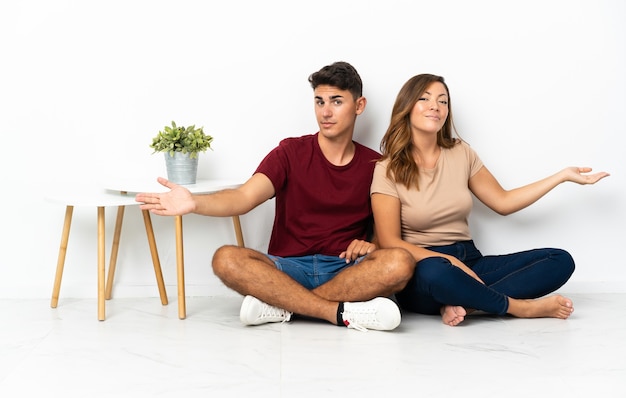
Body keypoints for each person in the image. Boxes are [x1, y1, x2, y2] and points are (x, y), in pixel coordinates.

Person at [136, 61, 415, 331]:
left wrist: (371, 246)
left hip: (345, 268)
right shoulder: (289, 153)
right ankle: (337, 312)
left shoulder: (376, 165)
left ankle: (284, 306)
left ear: (359, 105)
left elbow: (384, 235)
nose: (326, 112)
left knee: (400, 262)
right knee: (225, 259)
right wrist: (195, 203)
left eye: (336, 101)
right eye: (319, 101)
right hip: (287, 267)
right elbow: (244, 197)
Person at [370, 73, 610, 326]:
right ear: (406, 107)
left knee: (559, 260)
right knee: (437, 273)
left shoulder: (461, 152)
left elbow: (503, 202)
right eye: (424, 98)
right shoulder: (387, 169)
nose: (435, 106)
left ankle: (467, 305)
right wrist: (447, 261)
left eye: (443, 101)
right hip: (424, 270)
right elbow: (388, 241)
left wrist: (561, 176)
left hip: (470, 258)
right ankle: (517, 307)